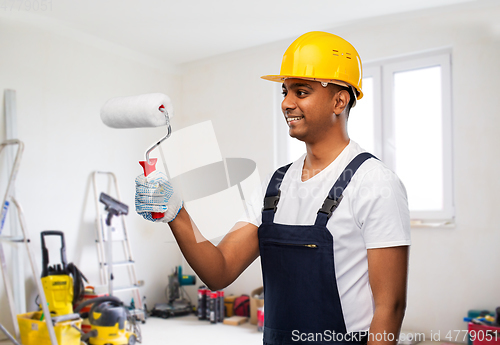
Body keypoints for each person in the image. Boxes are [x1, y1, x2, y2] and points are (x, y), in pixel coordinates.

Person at [135, 31, 410, 345]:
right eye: (285, 91)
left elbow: (391, 307)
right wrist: (176, 213)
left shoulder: (375, 182)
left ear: (339, 100)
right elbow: (219, 272)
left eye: (301, 91)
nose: (286, 103)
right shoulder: (274, 186)